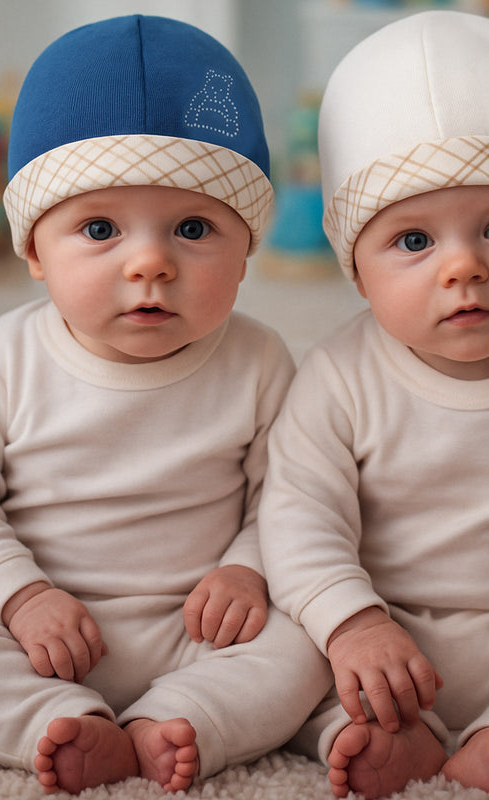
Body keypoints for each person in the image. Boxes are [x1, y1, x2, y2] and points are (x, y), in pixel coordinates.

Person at [0, 15, 332, 796]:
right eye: (99, 228)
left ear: (246, 247)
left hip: (202, 625)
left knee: (306, 643)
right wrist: (19, 595)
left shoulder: (259, 361)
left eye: (193, 228)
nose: (151, 262)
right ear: (33, 251)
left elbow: (294, 494)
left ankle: (182, 716)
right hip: (28, 627)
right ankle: (53, 721)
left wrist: (247, 568)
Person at [259, 10, 489, 799]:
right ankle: (381, 734)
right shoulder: (338, 376)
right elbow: (298, 515)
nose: (463, 267)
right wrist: (351, 621)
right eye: (414, 242)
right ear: (354, 269)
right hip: (385, 633)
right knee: (286, 657)